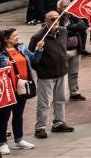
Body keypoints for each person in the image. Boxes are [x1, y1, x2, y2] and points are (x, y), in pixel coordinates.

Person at [27, 8, 75, 138]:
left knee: (60, 99)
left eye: (57, 19)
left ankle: (59, 123)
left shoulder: (63, 32)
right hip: (46, 75)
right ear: (45, 22)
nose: (55, 21)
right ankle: (40, 127)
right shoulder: (38, 37)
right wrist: (39, 51)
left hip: (61, 73)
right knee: (44, 103)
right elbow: (32, 60)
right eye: (52, 19)